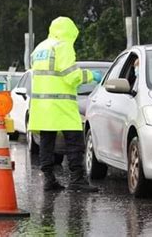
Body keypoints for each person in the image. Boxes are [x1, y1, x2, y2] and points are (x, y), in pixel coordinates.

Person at [28, 16, 103, 192]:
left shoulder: (40, 48)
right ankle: (77, 179)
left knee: (46, 142)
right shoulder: (63, 46)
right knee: (75, 141)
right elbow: (71, 76)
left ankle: (49, 179)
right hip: (61, 104)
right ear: (69, 31)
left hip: (41, 105)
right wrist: (91, 76)